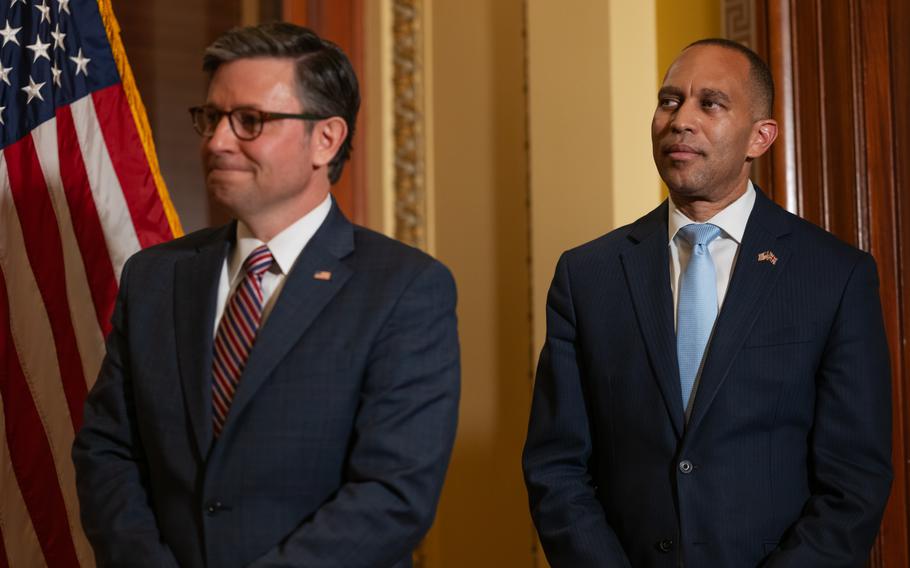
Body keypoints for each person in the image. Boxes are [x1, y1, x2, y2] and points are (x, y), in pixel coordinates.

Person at [73, 22, 459, 568]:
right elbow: (106, 452)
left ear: (326, 139)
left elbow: (393, 495)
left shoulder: (405, 289)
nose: (217, 141)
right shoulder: (154, 277)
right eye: (211, 118)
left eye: (249, 121)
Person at [523, 38, 892, 567]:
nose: (680, 120)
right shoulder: (588, 276)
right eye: (669, 100)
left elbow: (855, 481)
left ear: (760, 138)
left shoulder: (834, 276)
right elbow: (555, 468)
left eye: (710, 103)